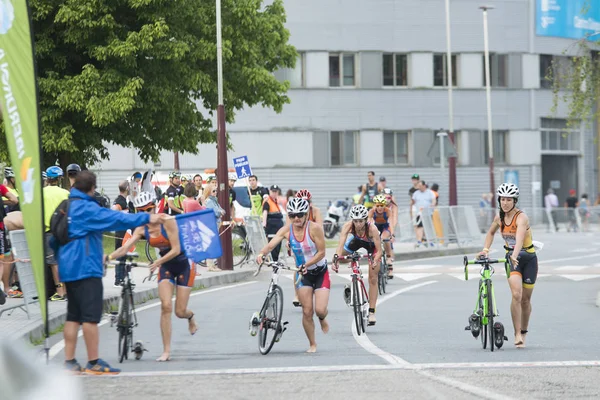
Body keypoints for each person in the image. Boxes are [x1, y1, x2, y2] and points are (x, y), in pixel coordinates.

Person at [57, 171, 165, 375]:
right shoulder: (87, 208)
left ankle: (69, 362)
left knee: (73, 316)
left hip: (68, 268)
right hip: (86, 268)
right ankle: (93, 362)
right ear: (91, 188)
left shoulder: (66, 206)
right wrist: (147, 217)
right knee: (90, 318)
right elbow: (115, 219)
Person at [109, 190, 197, 362]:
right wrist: (109, 257)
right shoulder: (142, 227)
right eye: (140, 211)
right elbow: (126, 247)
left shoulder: (168, 221)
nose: (144, 214)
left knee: (179, 311)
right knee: (165, 307)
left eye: (148, 209)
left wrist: (157, 262)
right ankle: (166, 351)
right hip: (166, 266)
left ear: (155, 207)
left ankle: (191, 317)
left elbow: (176, 249)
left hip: (184, 264)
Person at [255, 198, 329, 353]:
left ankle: (322, 319)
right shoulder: (286, 231)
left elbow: (322, 252)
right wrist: (262, 253)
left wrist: (306, 265)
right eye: (292, 215)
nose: (296, 218)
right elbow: (271, 244)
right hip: (304, 276)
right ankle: (312, 343)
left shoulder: (314, 229)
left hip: (320, 272)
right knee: (307, 311)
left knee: (320, 310)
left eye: (300, 214)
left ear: (306, 214)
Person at [476, 183, 537, 349]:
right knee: (516, 294)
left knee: (525, 299)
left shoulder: (522, 217)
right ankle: (517, 333)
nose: (505, 202)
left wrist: (515, 255)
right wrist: (485, 250)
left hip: (528, 258)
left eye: (509, 199)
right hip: (512, 259)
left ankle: (524, 331)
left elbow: (519, 239)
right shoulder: (499, 217)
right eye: (503, 199)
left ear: (514, 200)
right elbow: (490, 233)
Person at [332, 204, 382, 326]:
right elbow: (340, 244)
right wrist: (336, 259)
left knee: (373, 278)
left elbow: (379, 251)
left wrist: (375, 259)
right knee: (342, 257)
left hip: (372, 247)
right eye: (355, 221)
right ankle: (354, 277)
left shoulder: (372, 229)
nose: (358, 224)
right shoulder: (348, 226)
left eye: (360, 221)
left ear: (365, 220)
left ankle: (371, 312)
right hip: (357, 241)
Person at [289, 189, 323, 307]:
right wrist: (288, 243)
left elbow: (320, 227)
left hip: (312, 240)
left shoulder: (315, 211)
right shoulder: (294, 212)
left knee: (315, 263)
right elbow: (288, 229)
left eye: (307, 202)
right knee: (298, 266)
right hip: (298, 240)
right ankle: (297, 294)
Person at [43, 166, 70, 301]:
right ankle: (66, 290)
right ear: (59, 179)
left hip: (48, 231)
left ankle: (60, 292)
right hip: (64, 231)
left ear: (47, 179)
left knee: (54, 263)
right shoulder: (65, 193)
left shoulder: (41, 193)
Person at [368, 194, 394, 278]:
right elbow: (369, 222)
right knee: (375, 239)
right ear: (375, 205)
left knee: (384, 238)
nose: (379, 208)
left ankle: (389, 257)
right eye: (377, 205)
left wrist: (392, 234)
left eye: (381, 205)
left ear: (384, 205)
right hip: (376, 227)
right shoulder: (372, 211)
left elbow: (391, 223)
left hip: (385, 227)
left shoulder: (388, 211)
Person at [0, 182, 18, 304]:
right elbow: (14, 200)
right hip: (0, 227)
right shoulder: (1, 187)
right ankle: (5, 287)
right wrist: (2, 203)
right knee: (2, 259)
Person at [111, 180, 131, 287]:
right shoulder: (120, 201)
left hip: (123, 232)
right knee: (120, 255)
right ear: (127, 188)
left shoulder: (124, 200)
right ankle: (118, 279)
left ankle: (121, 278)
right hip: (121, 233)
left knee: (124, 255)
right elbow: (114, 209)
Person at [262, 185, 284, 261]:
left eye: (276, 192)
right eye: (273, 192)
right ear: (270, 192)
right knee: (273, 244)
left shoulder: (275, 201)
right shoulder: (267, 201)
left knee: (278, 245)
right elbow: (265, 213)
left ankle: (275, 259)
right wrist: (264, 225)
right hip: (272, 226)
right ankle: (273, 260)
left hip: (278, 226)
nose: (274, 193)